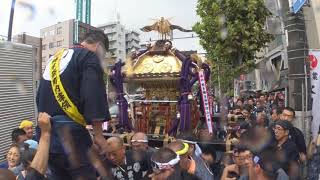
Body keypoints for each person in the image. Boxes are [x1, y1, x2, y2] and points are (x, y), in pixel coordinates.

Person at [36, 30, 110, 179]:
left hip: (46, 134)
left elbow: (39, 97)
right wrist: (99, 135)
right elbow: (93, 94)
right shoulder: (89, 57)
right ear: (100, 47)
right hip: (71, 137)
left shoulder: (54, 59)